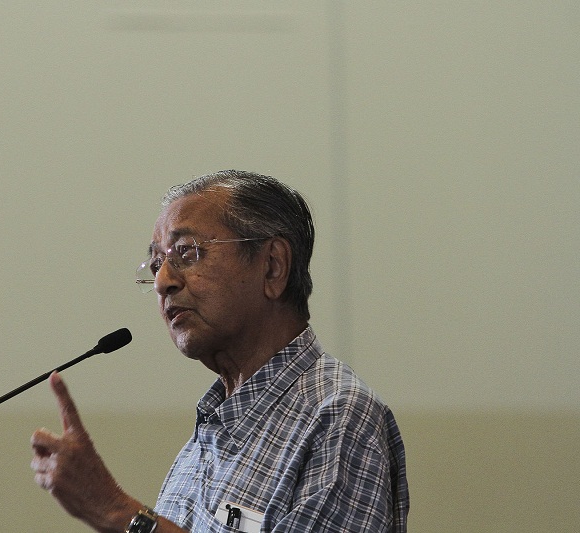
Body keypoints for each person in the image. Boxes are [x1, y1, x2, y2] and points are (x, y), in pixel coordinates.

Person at [31, 170, 409, 532]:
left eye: (186, 252)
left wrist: (116, 511)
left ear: (273, 266)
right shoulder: (212, 426)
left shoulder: (338, 418)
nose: (163, 282)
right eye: (158, 262)